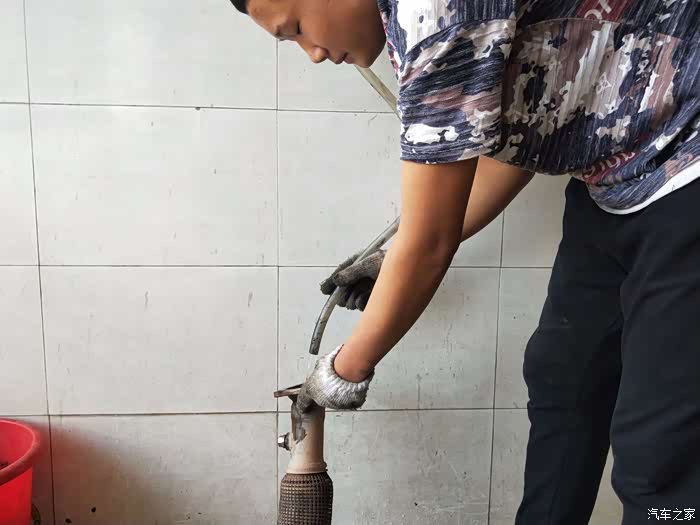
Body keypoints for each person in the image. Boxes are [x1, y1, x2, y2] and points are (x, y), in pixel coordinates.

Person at [231, 0, 700, 521]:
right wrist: (392, 257)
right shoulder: (416, 27)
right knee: (563, 380)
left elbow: (430, 244)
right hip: (615, 181)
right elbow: (523, 141)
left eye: (296, 28)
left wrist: (342, 372)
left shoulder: (430, 12)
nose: (313, 53)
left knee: (658, 447)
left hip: (688, 172)